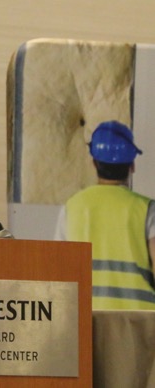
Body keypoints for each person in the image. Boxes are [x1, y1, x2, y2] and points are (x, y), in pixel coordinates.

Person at [54, 120, 155, 310]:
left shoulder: (72, 207)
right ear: (132, 165)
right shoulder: (147, 209)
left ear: (94, 163)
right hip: (139, 320)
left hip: (85, 317)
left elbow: (59, 272)